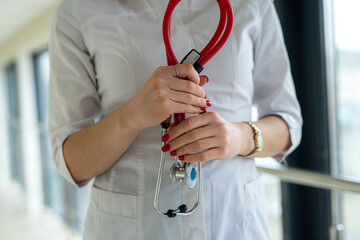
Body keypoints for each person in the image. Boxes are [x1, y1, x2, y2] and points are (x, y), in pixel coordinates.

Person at [49, 0, 302, 239]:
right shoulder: (79, 10)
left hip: (233, 221)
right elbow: (72, 161)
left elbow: (288, 124)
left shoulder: (253, 4)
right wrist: (134, 114)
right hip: (133, 227)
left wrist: (240, 137)